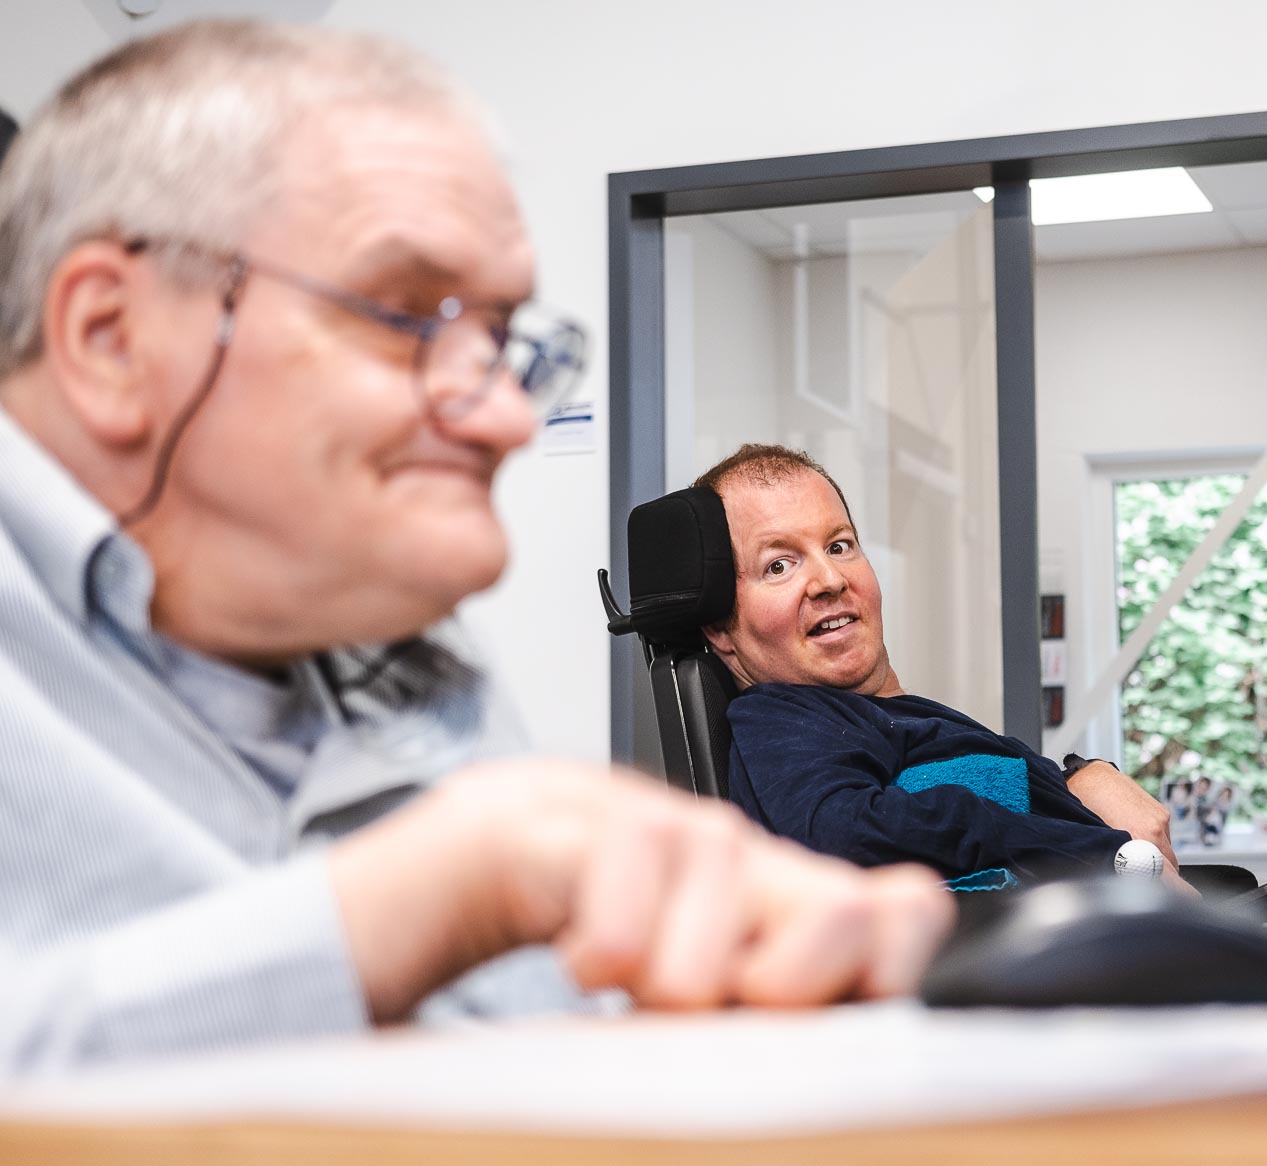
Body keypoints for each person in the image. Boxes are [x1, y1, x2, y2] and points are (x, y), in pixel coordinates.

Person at [0, 21, 951, 1076]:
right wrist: (441, 894)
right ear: (111, 338)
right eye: (407, 316)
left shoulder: (398, 655)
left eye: (501, 340)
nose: (507, 416)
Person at [693, 444, 1179, 886]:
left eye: (839, 546)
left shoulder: (894, 717)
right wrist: (1114, 854)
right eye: (778, 565)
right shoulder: (782, 714)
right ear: (721, 628)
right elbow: (843, 835)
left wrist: (1083, 777)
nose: (829, 579)